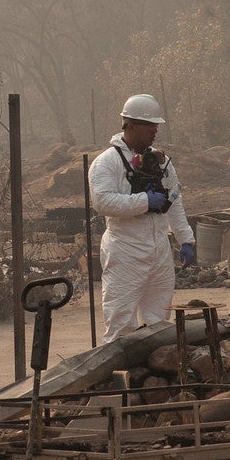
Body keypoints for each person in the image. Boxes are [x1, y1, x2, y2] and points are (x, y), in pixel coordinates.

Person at [87, 94, 196, 340]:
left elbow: (174, 202)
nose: (155, 131)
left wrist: (185, 238)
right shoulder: (107, 162)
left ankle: (155, 372)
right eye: (149, 126)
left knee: (159, 319)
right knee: (121, 320)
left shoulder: (161, 162)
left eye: (156, 125)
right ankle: (121, 375)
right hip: (126, 250)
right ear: (131, 126)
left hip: (159, 249)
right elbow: (102, 201)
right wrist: (145, 201)